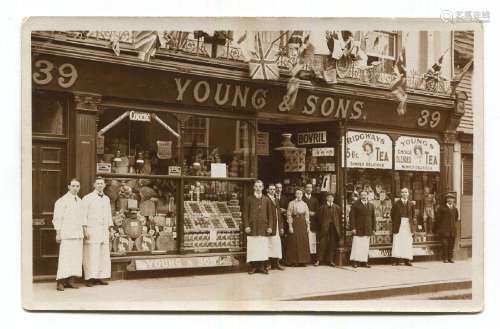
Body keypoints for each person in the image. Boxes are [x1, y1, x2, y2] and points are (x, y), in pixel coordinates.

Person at [52, 178, 87, 291]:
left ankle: (71, 281)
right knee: (65, 258)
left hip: (78, 234)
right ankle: (60, 282)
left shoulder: (80, 201)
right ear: (68, 187)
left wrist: (84, 231)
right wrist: (58, 233)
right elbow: (57, 218)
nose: (75, 188)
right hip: (67, 234)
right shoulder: (62, 201)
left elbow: (83, 218)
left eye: (77, 186)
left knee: (76, 259)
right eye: (73, 186)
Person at [82, 177, 114, 286]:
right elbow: (83, 215)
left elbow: (109, 214)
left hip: (103, 230)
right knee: (91, 254)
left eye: (102, 183)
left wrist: (110, 229)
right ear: (94, 185)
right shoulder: (87, 198)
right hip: (92, 230)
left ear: (104, 185)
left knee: (103, 254)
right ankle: (90, 278)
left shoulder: (106, 199)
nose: (100, 185)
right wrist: (85, 229)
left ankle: (100, 277)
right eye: (98, 183)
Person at [243, 180, 273, 274]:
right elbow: (245, 214)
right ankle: (253, 267)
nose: (258, 188)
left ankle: (261, 267)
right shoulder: (249, 199)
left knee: (262, 247)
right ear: (253, 187)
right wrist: (246, 225)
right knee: (253, 247)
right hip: (253, 227)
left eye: (260, 186)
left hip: (263, 228)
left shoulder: (266, 199)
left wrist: (270, 226)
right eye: (256, 186)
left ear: (263, 188)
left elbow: (270, 215)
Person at [349, 190, 375, 268]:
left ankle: (364, 261)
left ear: (367, 196)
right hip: (358, 228)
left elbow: (373, 217)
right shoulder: (355, 205)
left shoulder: (371, 205)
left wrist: (373, 228)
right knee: (357, 245)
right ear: (360, 196)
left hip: (367, 228)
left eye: (365, 195)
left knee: (365, 246)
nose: (363, 196)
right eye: (362, 195)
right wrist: (353, 227)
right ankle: (355, 262)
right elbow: (352, 217)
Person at [314, 192, 341, 267]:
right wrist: (322, 226)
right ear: (326, 198)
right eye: (329, 197)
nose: (330, 199)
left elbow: (339, 219)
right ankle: (319, 260)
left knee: (332, 244)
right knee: (322, 244)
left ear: (333, 199)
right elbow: (318, 219)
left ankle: (330, 260)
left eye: (332, 197)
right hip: (324, 228)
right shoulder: (322, 207)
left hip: (334, 228)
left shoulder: (337, 207)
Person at [285, 189, 311, 266]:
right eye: (297, 193)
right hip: (295, 223)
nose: (299, 195)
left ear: (302, 195)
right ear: (295, 195)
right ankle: (293, 261)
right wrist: (290, 226)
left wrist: (308, 226)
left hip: (303, 224)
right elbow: (289, 215)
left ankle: (303, 261)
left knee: (303, 241)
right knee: (294, 241)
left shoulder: (305, 204)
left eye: (300, 193)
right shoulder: (291, 203)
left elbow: (307, 216)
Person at [391, 188, 416, 266]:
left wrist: (412, 226)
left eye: (406, 192)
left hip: (408, 225)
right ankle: (396, 260)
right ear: (400, 194)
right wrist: (396, 222)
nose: (404, 193)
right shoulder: (396, 203)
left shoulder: (411, 204)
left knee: (407, 242)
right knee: (397, 242)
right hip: (399, 224)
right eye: (402, 192)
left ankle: (407, 260)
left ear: (408, 194)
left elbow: (413, 215)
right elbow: (392, 214)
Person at [435, 193, 460, 263]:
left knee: (451, 244)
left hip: (452, 230)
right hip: (444, 230)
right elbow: (438, 218)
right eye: (448, 198)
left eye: (451, 198)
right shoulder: (441, 208)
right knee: (445, 244)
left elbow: (456, 218)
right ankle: (445, 258)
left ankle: (450, 258)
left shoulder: (455, 209)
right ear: (446, 200)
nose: (450, 200)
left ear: (454, 200)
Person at [266, 184, 285, 270]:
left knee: (277, 244)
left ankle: (276, 263)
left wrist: (281, 227)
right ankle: (269, 264)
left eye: (274, 189)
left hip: (277, 225)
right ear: (267, 190)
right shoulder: (265, 199)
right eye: (271, 189)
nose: (273, 191)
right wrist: (268, 226)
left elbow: (279, 214)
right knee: (269, 244)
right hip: (270, 226)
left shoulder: (276, 199)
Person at [303, 183, 320, 258]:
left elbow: (318, 211)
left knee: (312, 241)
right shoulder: (302, 198)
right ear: (305, 189)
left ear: (312, 189)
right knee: (304, 240)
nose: (309, 189)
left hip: (312, 222)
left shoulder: (315, 200)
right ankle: (304, 257)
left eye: (310, 187)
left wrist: (314, 213)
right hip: (303, 222)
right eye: (307, 187)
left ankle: (312, 257)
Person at [275, 183, 289, 264]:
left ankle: (282, 259)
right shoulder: (272, 198)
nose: (278, 189)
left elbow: (288, 209)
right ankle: (275, 260)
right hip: (275, 221)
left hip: (283, 221)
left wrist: (285, 211)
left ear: (282, 188)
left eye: (280, 187)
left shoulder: (285, 198)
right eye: (277, 187)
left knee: (283, 240)